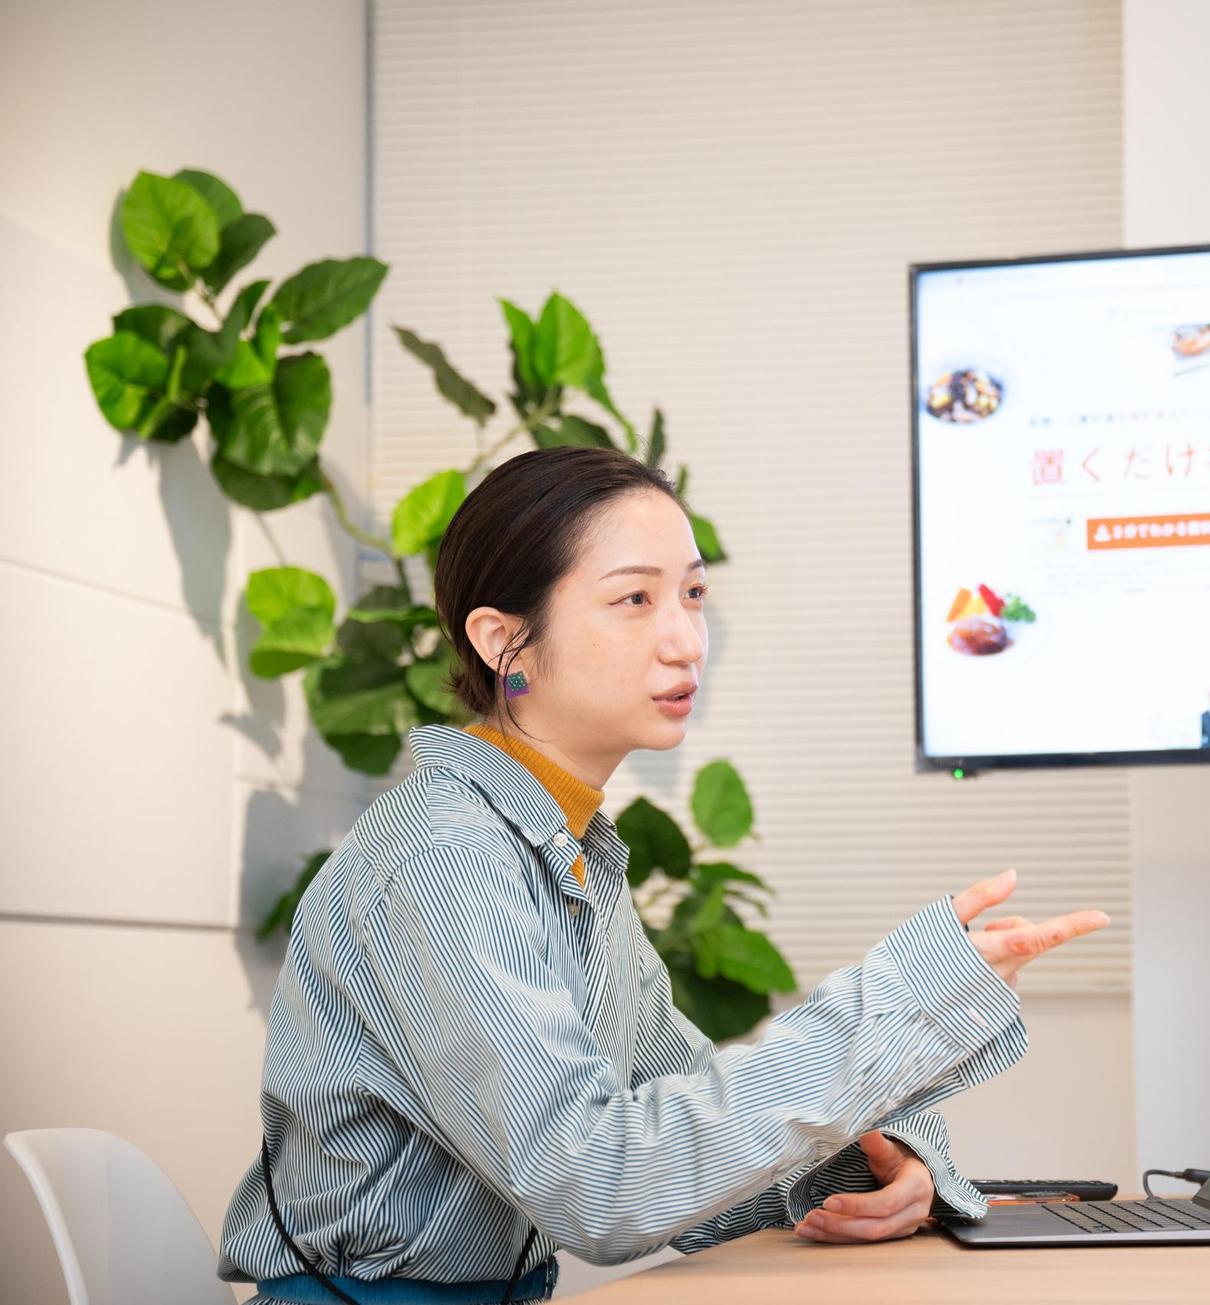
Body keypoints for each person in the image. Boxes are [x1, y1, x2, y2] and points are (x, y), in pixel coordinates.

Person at [218, 447, 1110, 1303]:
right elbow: (601, 1183)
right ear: (502, 641)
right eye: (634, 599)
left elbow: (674, 1131)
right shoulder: (446, 858)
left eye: (692, 594)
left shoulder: (564, 848)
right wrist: (903, 999)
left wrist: (884, 1170)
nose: (685, 640)